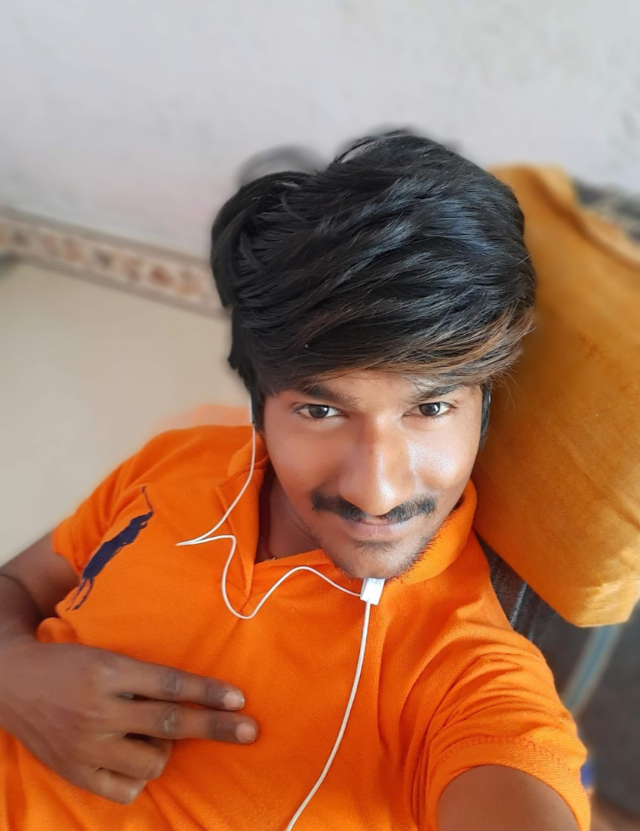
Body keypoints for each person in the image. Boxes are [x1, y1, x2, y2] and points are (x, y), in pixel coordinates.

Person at [0, 132, 589, 831]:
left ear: (484, 407)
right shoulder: (176, 461)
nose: (376, 492)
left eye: (430, 408)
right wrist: (15, 673)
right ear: (261, 406)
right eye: (320, 410)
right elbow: (18, 584)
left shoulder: (466, 673)